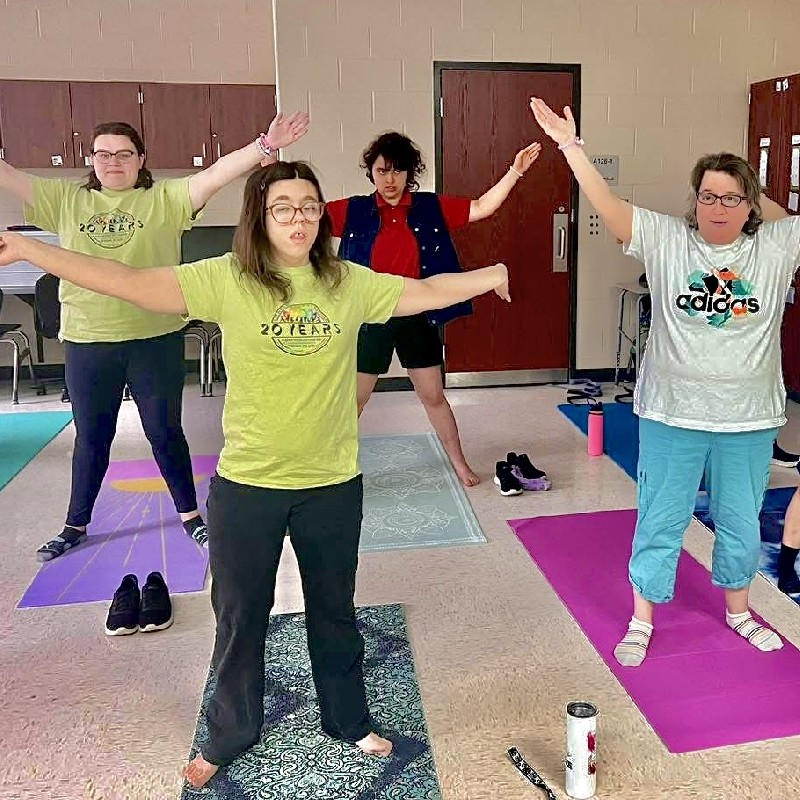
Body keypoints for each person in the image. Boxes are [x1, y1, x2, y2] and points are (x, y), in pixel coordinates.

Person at [0, 160, 511, 788]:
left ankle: (349, 720)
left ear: (322, 215)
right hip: (249, 486)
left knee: (334, 612)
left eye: (308, 206)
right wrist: (29, 248)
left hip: (330, 484)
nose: (298, 218)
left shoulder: (349, 282)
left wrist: (494, 273)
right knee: (240, 617)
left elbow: (425, 292)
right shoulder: (230, 278)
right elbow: (132, 283)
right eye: (283, 207)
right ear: (260, 218)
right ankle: (229, 733)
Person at [530, 97, 800, 667]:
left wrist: (752, 190)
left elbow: (784, 219)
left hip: (747, 418)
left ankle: (739, 611)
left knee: (738, 518)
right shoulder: (668, 239)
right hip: (673, 413)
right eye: (708, 196)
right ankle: (641, 618)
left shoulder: (775, 245)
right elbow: (605, 202)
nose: (718, 207)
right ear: (694, 200)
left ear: (751, 204)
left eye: (732, 197)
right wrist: (570, 148)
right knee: (661, 515)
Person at [0, 110, 308, 558]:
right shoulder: (65, 201)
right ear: (92, 159)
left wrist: (265, 145)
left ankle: (189, 516)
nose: (113, 162)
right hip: (89, 339)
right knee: (91, 437)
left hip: (155, 338)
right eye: (103, 154)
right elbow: (8, 175)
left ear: (141, 159)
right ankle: (74, 524)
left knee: (165, 431)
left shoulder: (166, 199)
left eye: (124, 154)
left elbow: (217, 173)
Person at [326, 131, 541, 487]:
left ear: (410, 173)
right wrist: (269, 161)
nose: (389, 180)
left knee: (433, 396)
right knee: (354, 402)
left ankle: (458, 462)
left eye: (397, 172)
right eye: (382, 171)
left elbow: (483, 207)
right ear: (371, 173)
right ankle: (335, 468)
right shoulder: (354, 210)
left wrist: (515, 171)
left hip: (419, 315)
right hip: (369, 318)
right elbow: (302, 213)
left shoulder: (428, 206)